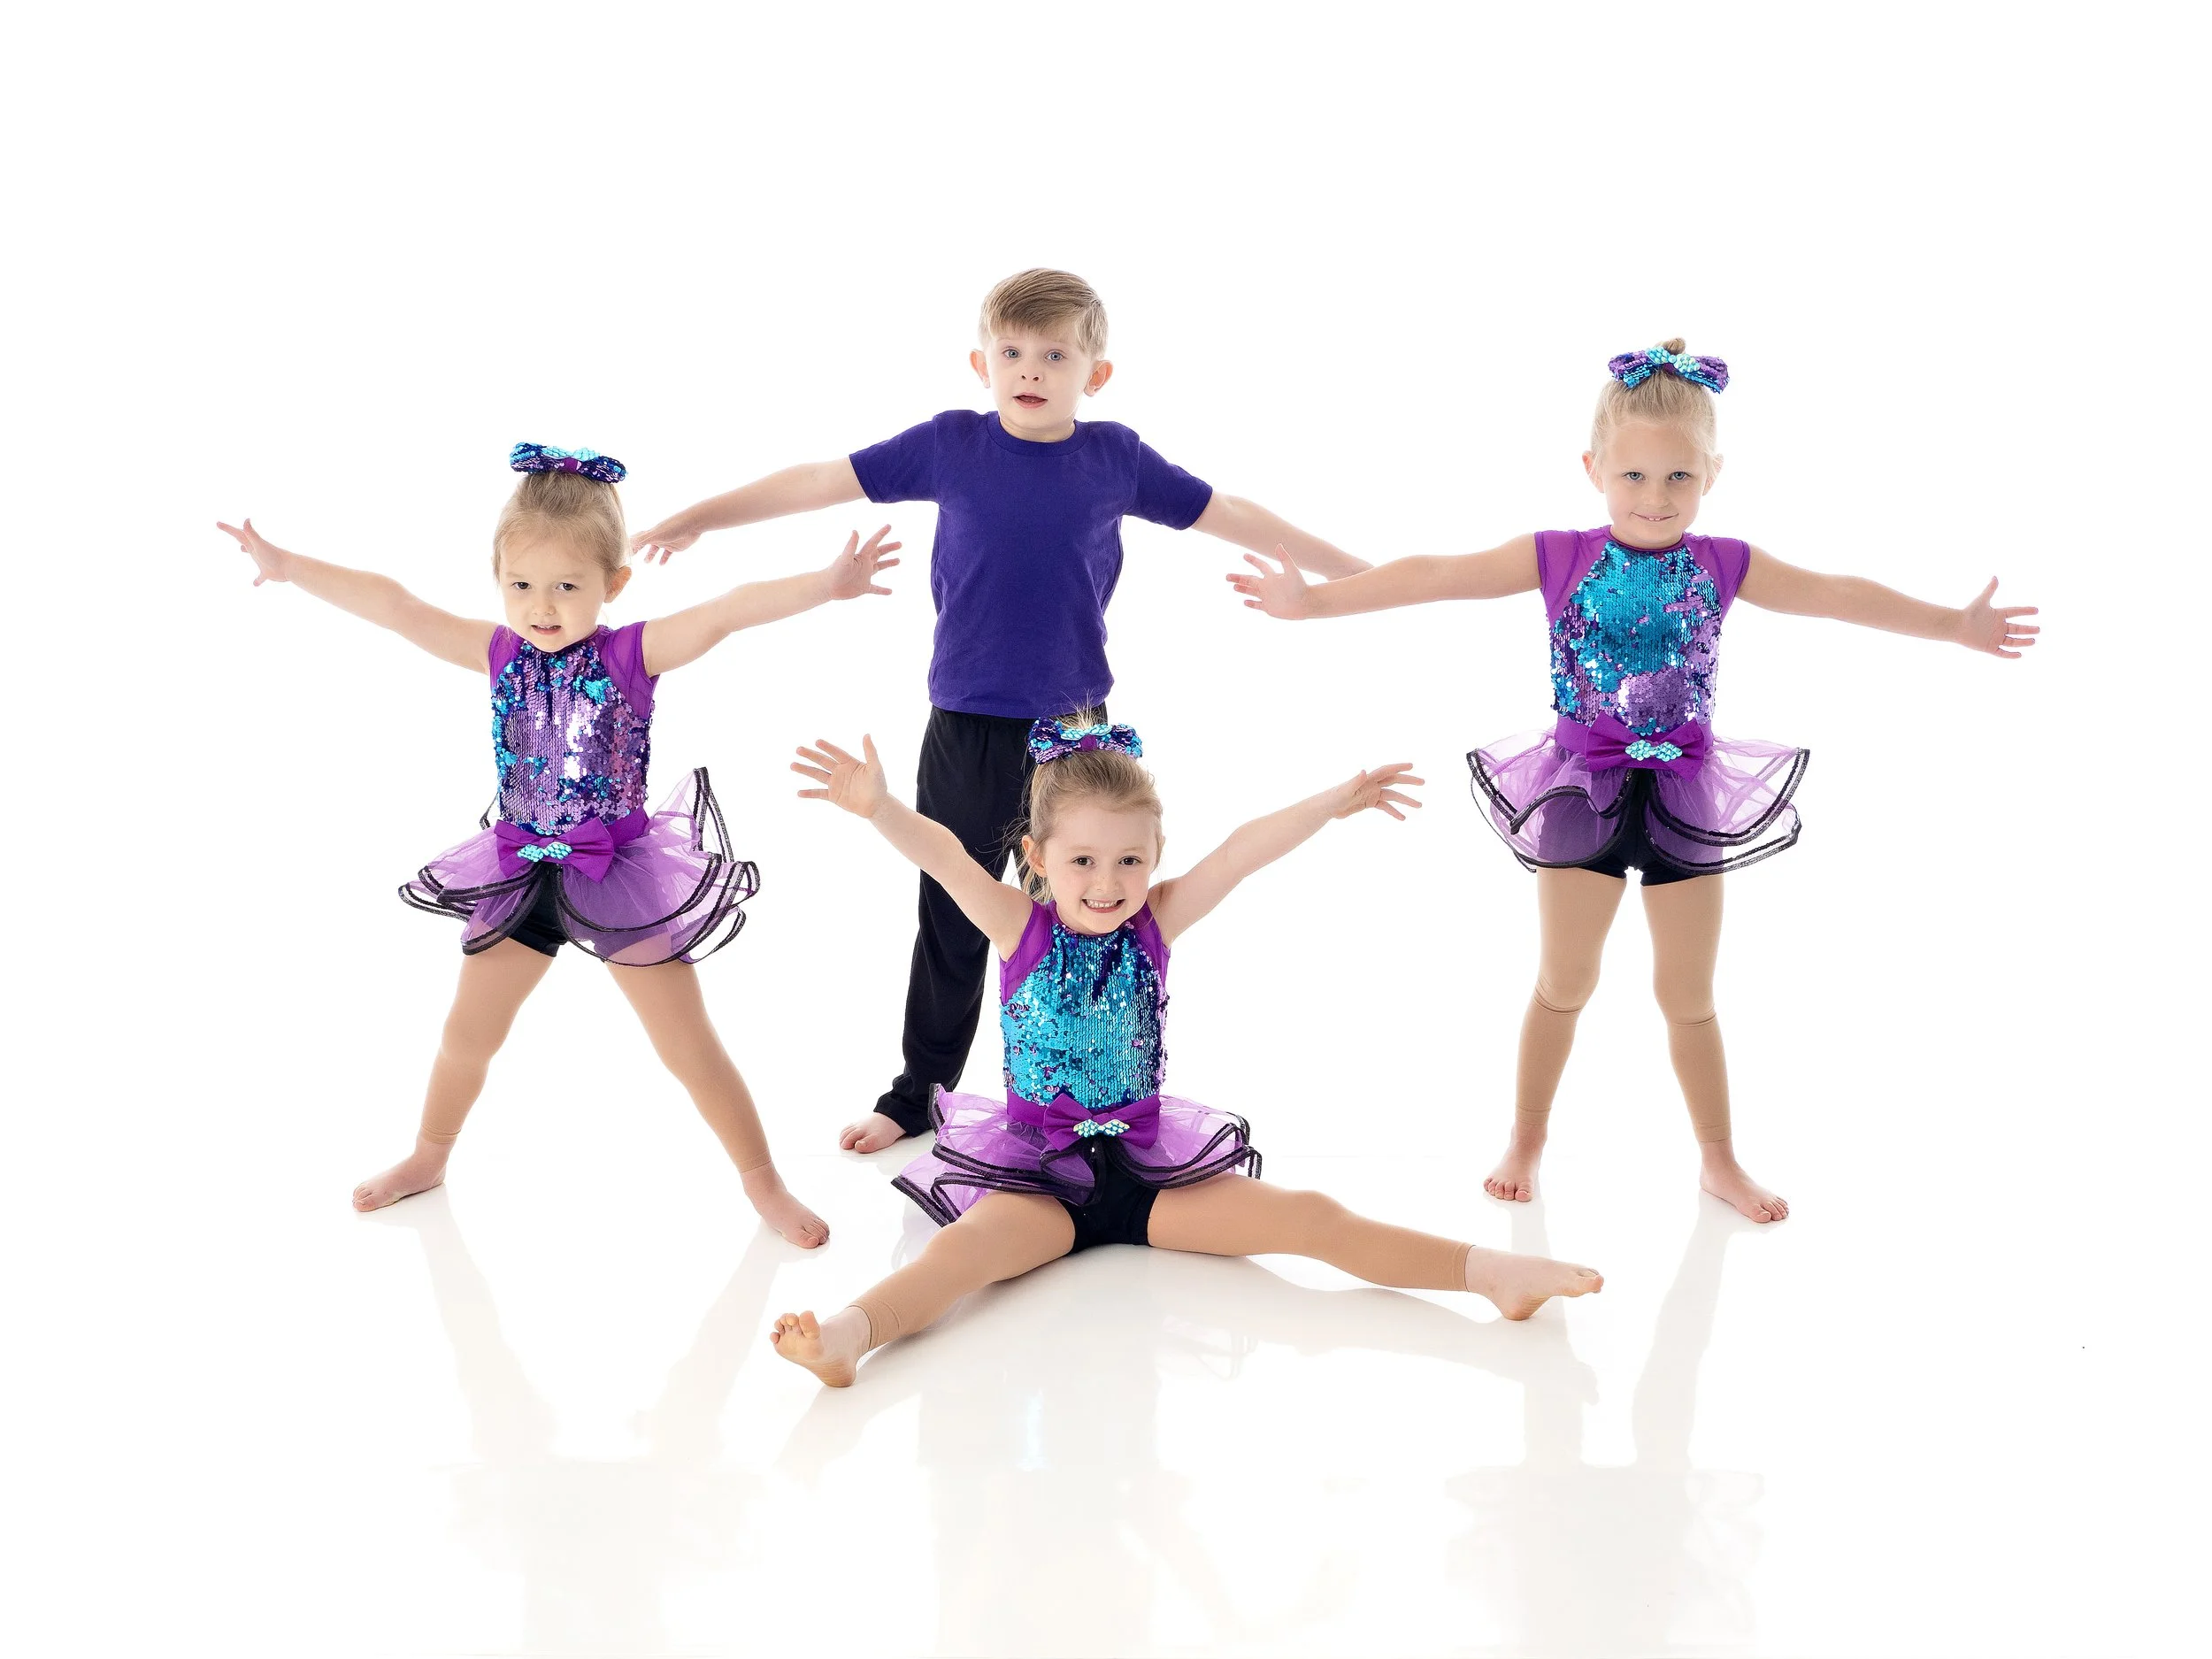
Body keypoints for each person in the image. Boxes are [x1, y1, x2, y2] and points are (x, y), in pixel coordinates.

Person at [1229, 343, 2039, 1221]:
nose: (1656, 497)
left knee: (1687, 996)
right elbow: (1436, 575)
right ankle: (1526, 1139)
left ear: (1713, 474)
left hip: (1687, 797)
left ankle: (1719, 1160)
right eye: (1634, 476)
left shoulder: (1726, 562)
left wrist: (1952, 625)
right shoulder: (1556, 555)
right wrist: (1312, 603)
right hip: (1581, 793)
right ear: (1593, 469)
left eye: (1679, 476)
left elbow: (1836, 593)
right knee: (1564, 981)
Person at [629, 268, 1371, 1153]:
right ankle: (919, 1093)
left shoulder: (1115, 458)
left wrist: (1357, 574)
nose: (1030, 370)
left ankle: (1085, 1093)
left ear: (1094, 374)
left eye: (1055, 355)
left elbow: (1231, 512)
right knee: (953, 911)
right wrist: (703, 517)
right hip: (966, 724)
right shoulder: (951, 445)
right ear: (981, 363)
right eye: (1012, 352)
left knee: (1088, 916)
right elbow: (820, 478)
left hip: (1076, 734)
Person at [767, 717, 1602, 1386]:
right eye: (1083, 860)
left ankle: (1489, 1272)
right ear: (1036, 858)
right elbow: (947, 858)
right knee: (959, 1257)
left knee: (1309, 1217)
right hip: (1039, 1179)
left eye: (1129, 859)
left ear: (1155, 857)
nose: (1107, 883)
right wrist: (881, 807)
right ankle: (848, 1335)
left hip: (1149, 1173)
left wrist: (1331, 802)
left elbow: (1240, 852)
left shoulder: (1156, 921)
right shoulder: (1019, 926)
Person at [215, 442, 899, 1244]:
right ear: (498, 580)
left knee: (687, 1046)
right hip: (517, 870)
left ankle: (764, 1183)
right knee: (467, 1035)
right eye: (521, 585)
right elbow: (396, 604)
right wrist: (287, 566)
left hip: (617, 874)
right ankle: (428, 1155)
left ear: (615, 584)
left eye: (567, 587)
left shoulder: (631, 654)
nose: (541, 606)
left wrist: (825, 584)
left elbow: (723, 613)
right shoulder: (497, 652)